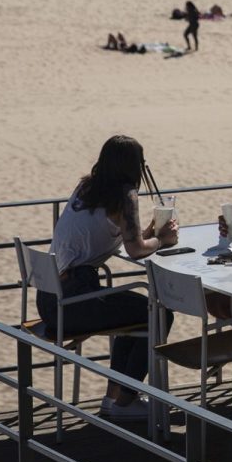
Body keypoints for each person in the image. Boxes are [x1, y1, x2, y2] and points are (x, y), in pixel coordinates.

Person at [41, 136, 176, 421]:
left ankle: (113, 398)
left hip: (50, 299)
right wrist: (162, 241)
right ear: (134, 166)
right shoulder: (125, 195)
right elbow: (137, 250)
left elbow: (127, 237)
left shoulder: (86, 186)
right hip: (75, 302)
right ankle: (125, 402)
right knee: (158, 314)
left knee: (137, 314)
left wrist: (151, 232)